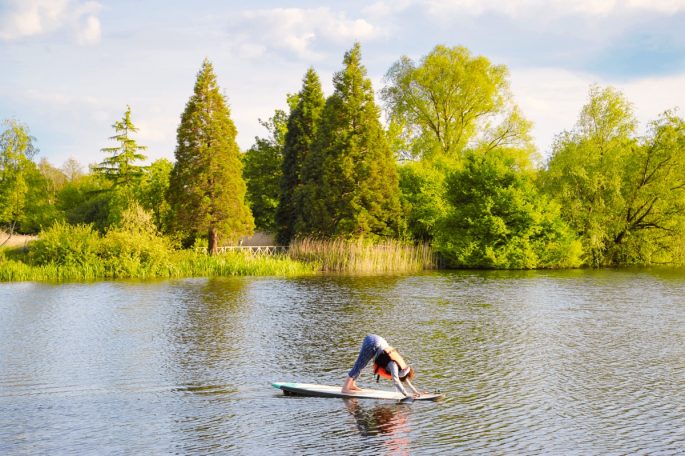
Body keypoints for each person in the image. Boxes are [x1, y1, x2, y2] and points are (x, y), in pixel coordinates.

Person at [342, 334, 421, 398]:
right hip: (373, 343)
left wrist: (415, 391)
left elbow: (405, 379)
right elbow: (396, 381)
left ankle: (352, 385)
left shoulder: (402, 368)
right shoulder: (394, 365)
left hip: (377, 340)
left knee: (361, 365)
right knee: (359, 364)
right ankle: (345, 388)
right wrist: (406, 395)